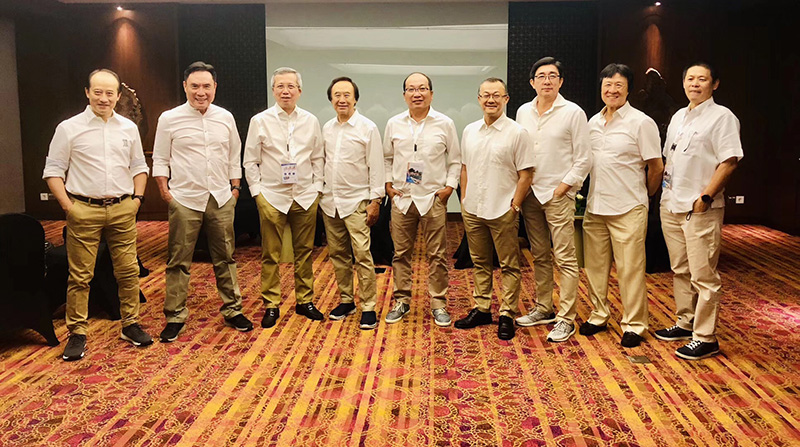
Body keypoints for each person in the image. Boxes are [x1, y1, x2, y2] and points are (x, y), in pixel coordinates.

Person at [43, 68, 153, 361]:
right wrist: (69, 207)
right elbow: (53, 171)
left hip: (122, 209)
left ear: (118, 96)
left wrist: (137, 200)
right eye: (98, 92)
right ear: (87, 93)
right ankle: (77, 332)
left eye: (109, 93)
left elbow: (139, 167)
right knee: (80, 276)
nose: (104, 98)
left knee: (128, 271)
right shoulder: (69, 128)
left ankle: (130, 324)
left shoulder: (128, 128)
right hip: (83, 210)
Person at [152, 61, 253, 343]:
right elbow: (160, 158)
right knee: (178, 261)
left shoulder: (225, 117)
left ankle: (233, 310)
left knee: (226, 257)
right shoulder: (169, 118)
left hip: (220, 197)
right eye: (195, 86)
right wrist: (166, 193)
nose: (201, 92)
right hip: (184, 199)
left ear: (215, 88)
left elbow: (234, 155)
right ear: (185, 86)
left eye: (206, 86)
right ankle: (175, 316)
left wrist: (235, 189)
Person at [655, 62, 742, 360]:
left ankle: (706, 337)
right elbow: (669, 158)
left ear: (714, 84)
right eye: (690, 78)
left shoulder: (722, 117)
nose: (695, 83)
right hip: (671, 203)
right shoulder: (679, 116)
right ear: (683, 83)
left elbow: (729, 161)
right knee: (680, 269)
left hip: (700, 207)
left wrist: (706, 196)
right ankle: (685, 322)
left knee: (703, 275)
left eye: (702, 79)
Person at [580, 63, 664, 348]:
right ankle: (598, 315)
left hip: (629, 207)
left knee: (630, 270)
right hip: (596, 207)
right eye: (607, 85)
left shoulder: (641, 122)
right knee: (595, 268)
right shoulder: (592, 123)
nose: (612, 90)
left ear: (628, 89)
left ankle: (634, 324)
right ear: (601, 88)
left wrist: (645, 195)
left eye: (619, 85)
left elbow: (656, 166)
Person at [514, 57, 591, 343]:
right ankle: (544, 307)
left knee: (565, 257)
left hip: (557, 194)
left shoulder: (573, 112)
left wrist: (564, 187)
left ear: (561, 81)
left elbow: (584, 157)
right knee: (539, 254)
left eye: (552, 76)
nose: (547, 80)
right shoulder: (523, 112)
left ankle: (566, 318)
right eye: (541, 76)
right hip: (530, 193)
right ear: (532, 82)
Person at [243, 67, 324, 329]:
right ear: (273, 90)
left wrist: (317, 189)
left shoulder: (311, 120)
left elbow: (318, 157)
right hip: (272, 196)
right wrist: (258, 194)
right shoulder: (260, 121)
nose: (285, 91)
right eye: (280, 86)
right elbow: (250, 161)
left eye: (290, 86)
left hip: (304, 196)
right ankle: (271, 304)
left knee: (305, 252)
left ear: (299, 90)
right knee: (271, 254)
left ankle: (305, 301)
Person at [454, 78, 533, 340]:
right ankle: (482, 308)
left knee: (509, 264)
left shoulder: (517, 133)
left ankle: (507, 313)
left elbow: (526, 174)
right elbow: (465, 168)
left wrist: (515, 205)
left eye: (496, 95)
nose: (491, 100)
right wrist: (464, 200)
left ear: (506, 99)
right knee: (480, 262)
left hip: (503, 209)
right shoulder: (470, 131)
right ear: (479, 99)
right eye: (486, 95)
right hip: (473, 208)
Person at [383, 72, 461, 327]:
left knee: (437, 254)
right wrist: (388, 185)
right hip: (402, 198)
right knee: (400, 254)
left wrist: (449, 187)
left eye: (422, 88)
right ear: (404, 94)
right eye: (411, 89)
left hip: (432, 198)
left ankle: (438, 303)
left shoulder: (445, 123)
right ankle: (402, 301)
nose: (417, 94)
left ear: (431, 93)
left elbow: (455, 160)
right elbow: (387, 158)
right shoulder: (394, 123)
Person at [320, 77, 385, 330]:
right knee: (338, 255)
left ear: (355, 99)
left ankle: (368, 307)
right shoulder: (327, 128)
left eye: (347, 94)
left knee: (362, 256)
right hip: (330, 202)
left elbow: (376, 166)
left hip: (357, 202)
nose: (342, 99)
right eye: (337, 95)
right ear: (331, 99)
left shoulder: (367, 128)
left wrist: (376, 200)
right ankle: (346, 301)